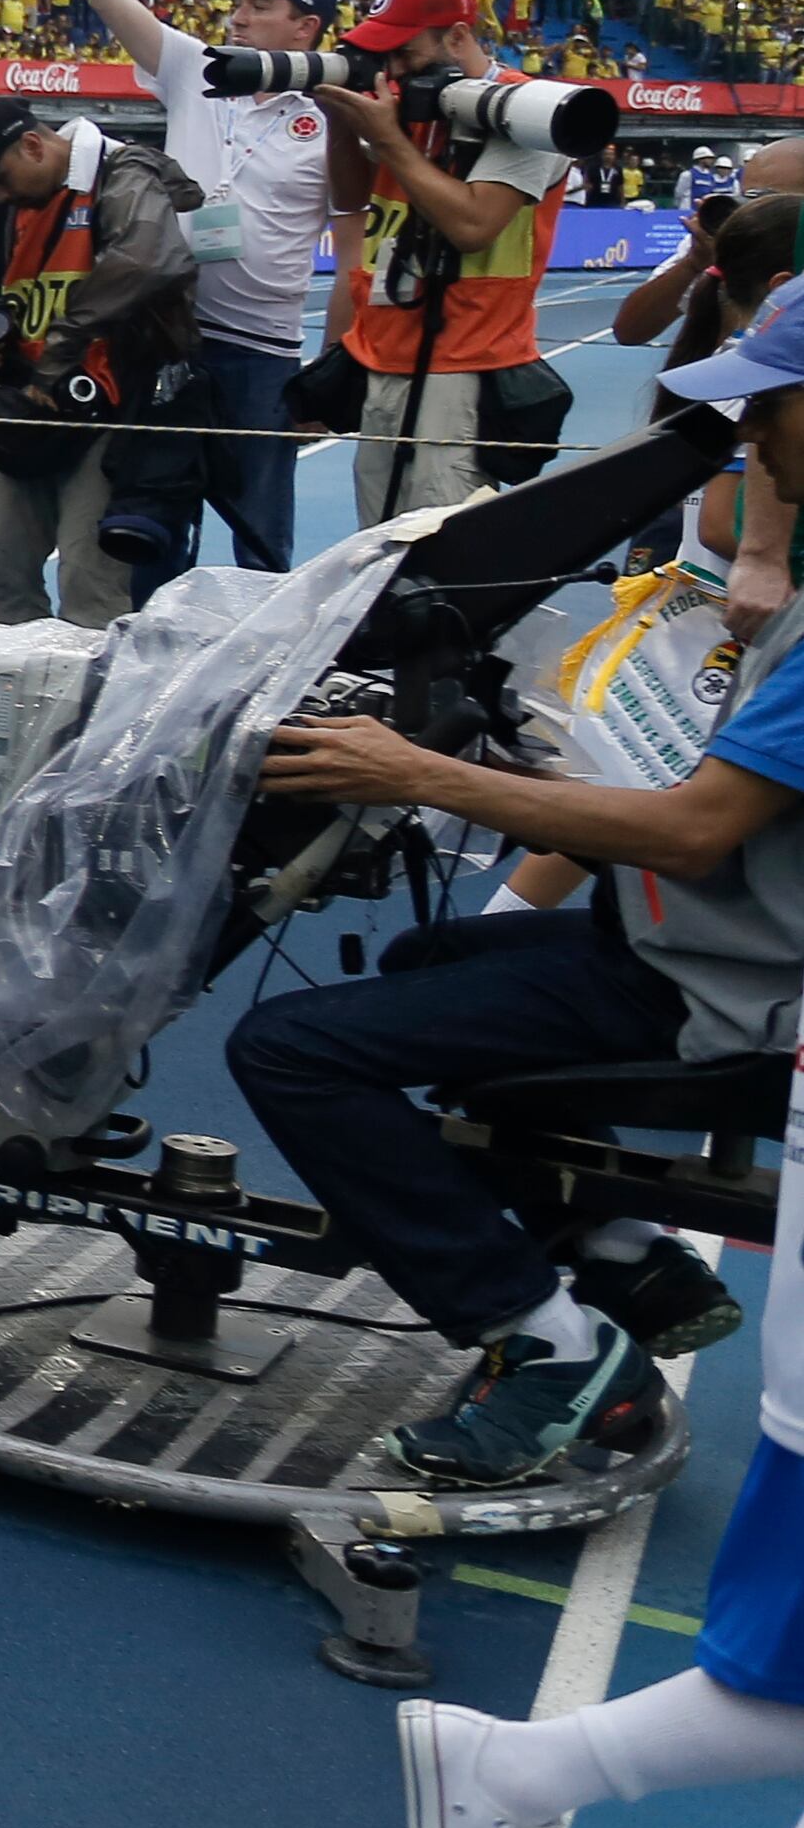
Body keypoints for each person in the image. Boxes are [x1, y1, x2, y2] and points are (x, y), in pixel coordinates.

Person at [230, 277, 804, 1504]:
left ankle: (546, 1346)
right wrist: (517, 755)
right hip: (688, 940)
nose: (746, 435)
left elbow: (696, 834)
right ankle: (617, 1248)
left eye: (770, 407)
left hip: (718, 983)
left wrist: (421, 773)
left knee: (289, 1051)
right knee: (420, 972)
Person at [67, 0, 333, 571]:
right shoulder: (196, 68)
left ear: (305, 28)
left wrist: (338, 360)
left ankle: (259, 677)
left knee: (260, 537)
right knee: (155, 520)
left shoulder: (332, 117)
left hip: (265, 352)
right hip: (172, 329)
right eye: (238, 2)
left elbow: (359, 229)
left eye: (260, 5)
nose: (239, 18)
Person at [316, 0, 584, 527]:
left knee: (436, 556)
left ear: (457, 38)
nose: (391, 67)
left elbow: (473, 225)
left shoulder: (524, 113)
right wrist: (341, 124)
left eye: (404, 50)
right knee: (375, 549)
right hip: (384, 353)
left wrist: (388, 140)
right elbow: (350, 199)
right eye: (380, 52)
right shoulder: (412, 106)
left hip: (462, 364)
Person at [0, 94, 202, 631]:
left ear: (34, 146)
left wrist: (62, 343)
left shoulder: (121, 171)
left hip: (106, 410)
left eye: (1, 175)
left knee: (89, 584)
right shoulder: (10, 203)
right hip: (24, 409)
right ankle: (12, 704)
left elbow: (155, 257)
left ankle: (83, 711)